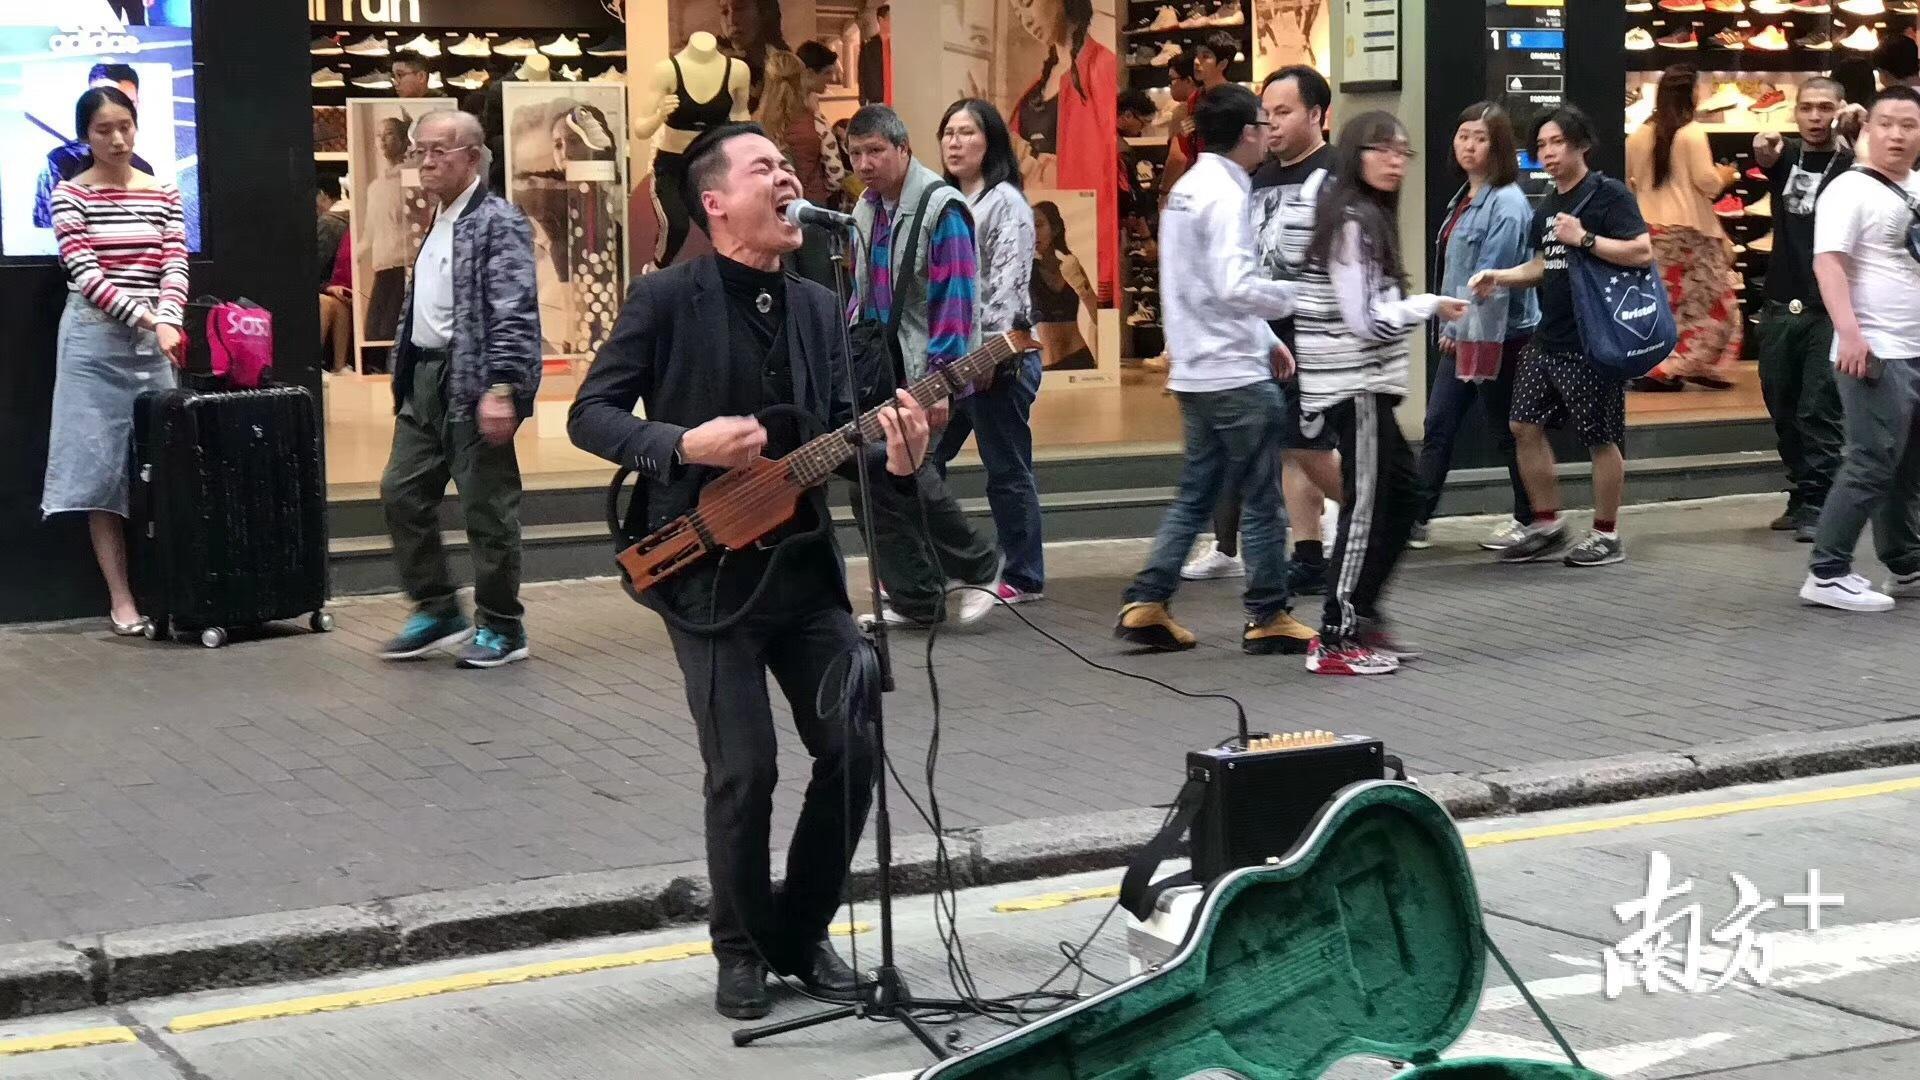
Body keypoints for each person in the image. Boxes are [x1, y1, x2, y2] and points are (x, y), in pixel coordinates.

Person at [568, 121, 931, 1020]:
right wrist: (680, 442)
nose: (788, 177)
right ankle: (740, 948)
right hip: (706, 574)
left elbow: (844, 434)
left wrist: (895, 456)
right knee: (747, 769)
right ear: (717, 202)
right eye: (766, 166)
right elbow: (591, 414)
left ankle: (796, 939)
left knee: (853, 748)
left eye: (789, 165)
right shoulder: (665, 298)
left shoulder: (817, 301)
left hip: (804, 567)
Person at [1114, 83, 1314, 656]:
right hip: (1233, 375)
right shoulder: (1226, 196)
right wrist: (1295, 298)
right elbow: (1233, 285)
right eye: (1263, 122)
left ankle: (1148, 600)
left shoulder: (1186, 190)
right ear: (1247, 133)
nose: (1269, 131)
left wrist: (1262, 336)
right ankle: (1268, 613)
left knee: (1196, 493)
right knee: (1261, 498)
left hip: (1198, 369)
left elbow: (1200, 285)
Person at [1292, 112, 1467, 675]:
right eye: (1383, 150)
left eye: (1403, 153)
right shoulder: (1350, 221)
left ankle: (1363, 614)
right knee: (1366, 507)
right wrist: (1430, 306)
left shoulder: (1364, 217)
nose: (1395, 162)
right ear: (1355, 154)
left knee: (1405, 494)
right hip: (1354, 386)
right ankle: (1337, 635)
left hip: (1368, 387)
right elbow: (1365, 319)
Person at [374, 111, 542, 669]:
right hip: (424, 379)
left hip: (472, 381)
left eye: (438, 151)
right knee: (402, 491)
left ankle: (502, 626)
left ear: (472, 157)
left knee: (488, 510)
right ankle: (437, 607)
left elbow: (515, 313)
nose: (425, 161)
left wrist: (503, 388)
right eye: (420, 151)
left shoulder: (499, 222)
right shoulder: (438, 218)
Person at [1472, 106, 1651, 569]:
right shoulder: (1547, 204)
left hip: (1594, 340)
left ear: (1581, 145)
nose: (1548, 154)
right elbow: (1541, 266)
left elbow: (1641, 250)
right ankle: (1547, 524)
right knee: (1522, 425)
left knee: (1600, 437)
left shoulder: (1607, 196)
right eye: (1542, 146)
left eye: (1557, 143)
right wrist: (1501, 277)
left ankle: (1607, 533)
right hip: (1548, 337)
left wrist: (1586, 239)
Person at [846, 104, 1004, 626]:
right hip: (877, 370)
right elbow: (862, 294)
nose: (865, 163)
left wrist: (938, 384)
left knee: (908, 477)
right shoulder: (867, 209)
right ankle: (916, 597)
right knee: (872, 480)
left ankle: (978, 565)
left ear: (903, 149)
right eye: (856, 153)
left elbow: (956, 299)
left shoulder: (942, 207)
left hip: (922, 371)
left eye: (875, 151)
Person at [1188, 66, 1340, 594]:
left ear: (1318, 114)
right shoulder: (1256, 176)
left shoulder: (1336, 173)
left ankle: (1376, 519)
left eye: (1284, 112)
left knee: (1309, 446)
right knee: (1288, 448)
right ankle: (1308, 552)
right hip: (1263, 334)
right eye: (1266, 114)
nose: (1271, 125)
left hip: (1318, 332)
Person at [44, 84, 188, 635]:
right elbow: (87, 275)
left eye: (125, 125)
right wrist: (154, 320)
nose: (117, 138)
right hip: (92, 341)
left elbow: (174, 262)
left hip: (152, 343)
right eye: (103, 129)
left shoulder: (164, 192)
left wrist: (169, 315)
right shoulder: (70, 195)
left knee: (161, 462)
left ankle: (170, 585)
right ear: (86, 136)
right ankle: (121, 597)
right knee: (100, 471)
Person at [1799, 87, 1920, 613]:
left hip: (1913, 346)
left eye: (1909, 125)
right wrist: (1850, 333)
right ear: (1867, 128)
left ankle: (1907, 562)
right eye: (1887, 124)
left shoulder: (1917, 185)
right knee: (1871, 460)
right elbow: (1828, 264)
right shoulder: (1848, 190)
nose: (1897, 135)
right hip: (1873, 348)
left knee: (1907, 463)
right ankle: (1827, 572)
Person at [1411, 103, 1540, 552]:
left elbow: (1493, 278)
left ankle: (1530, 518)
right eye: (1463, 135)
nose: (1469, 145)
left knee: (1508, 429)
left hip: (1497, 335)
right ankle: (1417, 518)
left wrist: (1458, 327)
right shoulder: (1465, 196)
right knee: (1440, 423)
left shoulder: (1506, 203)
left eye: (1480, 137)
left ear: (1499, 145)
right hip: (1464, 333)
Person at [933, 98, 1046, 604]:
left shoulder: (1007, 203)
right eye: (948, 133)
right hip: (952, 360)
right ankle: (945, 564)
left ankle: (1022, 575)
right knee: (923, 461)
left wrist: (988, 358)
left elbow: (1007, 288)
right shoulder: (945, 201)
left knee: (1005, 469)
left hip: (999, 359)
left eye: (967, 133)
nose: (955, 142)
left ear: (991, 142)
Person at [1753, 77, 1850, 543]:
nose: (1815, 117)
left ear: (1838, 110)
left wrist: (1862, 131)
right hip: (1779, 300)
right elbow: (1766, 155)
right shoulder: (1786, 156)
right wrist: (1763, 147)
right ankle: (1800, 494)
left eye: (1824, 108)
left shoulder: (1852, 161)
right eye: (1807, 108)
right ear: (1794, 111)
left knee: (1818, 406)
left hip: (1827, 304)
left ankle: (1821, 501)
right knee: (1780, 400)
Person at [1626, 64, 1741, 392]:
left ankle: (1662, 365)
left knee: (1667, 303)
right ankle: (1688, 364)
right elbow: (1707, 184)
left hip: (1651, 229)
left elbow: (1629, 183)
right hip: (1692, 231)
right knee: (1715, 301)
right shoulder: (1692, 133)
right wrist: (1727, 176)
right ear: (1690, 93)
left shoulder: (1638, 135)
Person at [1008, 0, 1119, 300]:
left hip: (1085, 234)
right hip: (1040, 243)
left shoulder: (1102, 69)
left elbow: (1104, 171)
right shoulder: (1033, 92)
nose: (1025, 19)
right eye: (1017, 12)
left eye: (1027, 3)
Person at [33, 64, 151, 229]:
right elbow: (45, 232)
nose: (113, 109)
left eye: (126, 102)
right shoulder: (58, 164)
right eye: (102, 100)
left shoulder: (144, 169)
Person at [359, 115, 412, 348]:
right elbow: (369, 231)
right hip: (383, 264)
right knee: (373, 330)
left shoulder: (411, 178)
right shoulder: (375, 187)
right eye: (379, 135)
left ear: (402, 139)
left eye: (389, 134)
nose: (382, 140)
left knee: (390, 328)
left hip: (405, 263)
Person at [1160, 37, 1232, 200]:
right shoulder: (1198, 102)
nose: (1197, 63)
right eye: (1197, 57)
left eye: (1173, 80)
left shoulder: (1187, 108)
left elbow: (1178, 157)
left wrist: (1164, 193)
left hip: (1208, 189)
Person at [1029, 200, 1097, 369]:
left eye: (1038, 225)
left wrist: (1082, 288)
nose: (1033, 233)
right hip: (1046, 365)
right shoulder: (1023, 269)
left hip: (1080, 357)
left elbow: (1098, 316)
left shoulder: (1071, 265)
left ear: (1055, 228)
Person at [794, 41, 850, 209]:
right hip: (814, 199)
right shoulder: (814, 120)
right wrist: (824, 189)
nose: (831, 78)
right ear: (810, 73)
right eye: (826, 73)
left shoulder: (776, 111)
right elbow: (836, 173)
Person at [721, 0, 791, 109]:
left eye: (739, 9)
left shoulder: (786, 69)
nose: (731, 20)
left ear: (764, 13)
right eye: (724, 11)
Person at [316, 177, 353, 374]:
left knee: (333, 302)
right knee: (331, 302)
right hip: (331, 288)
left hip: (328, 286)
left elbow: (315, 267)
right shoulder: (346, 221)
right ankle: (329, 364)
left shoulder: (328, 223)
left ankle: (336, 365)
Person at [859, 3, 891, 106]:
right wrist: (863, 102)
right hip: (877, 101)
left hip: (897, 98)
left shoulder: (898, 45)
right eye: (891, 18)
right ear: (881, 20)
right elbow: (862, 74)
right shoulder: (869, 46)